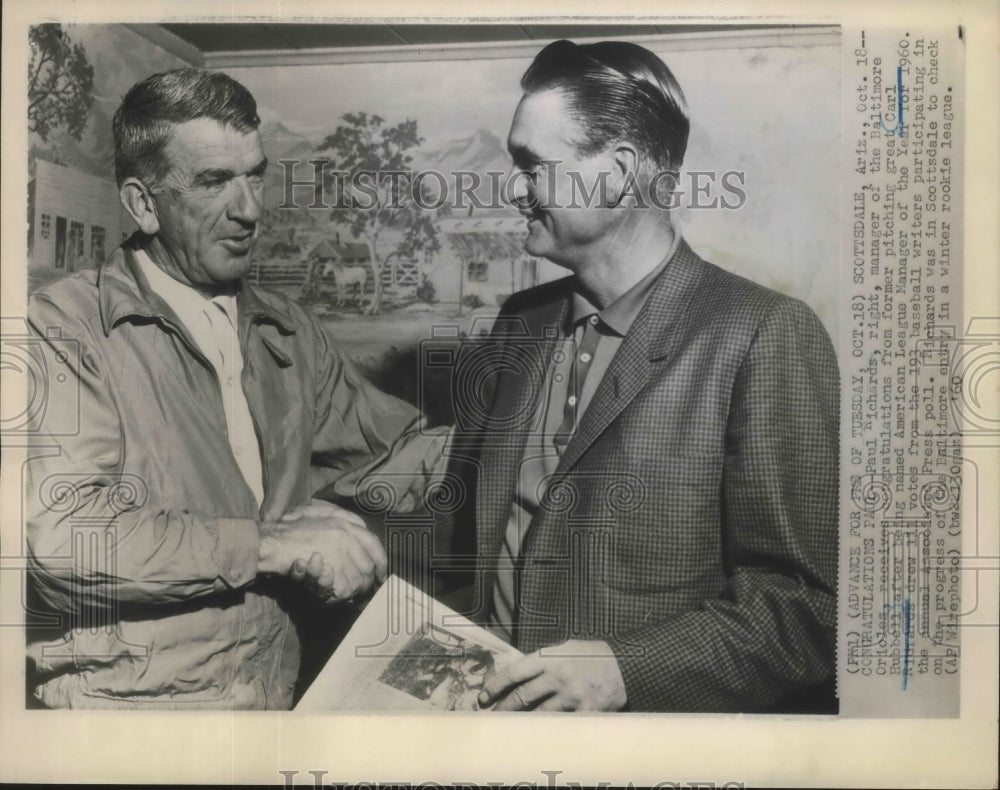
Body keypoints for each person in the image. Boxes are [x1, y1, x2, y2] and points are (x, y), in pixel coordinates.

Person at [24, 68, 445, 709]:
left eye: (254, 174)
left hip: (271, 698)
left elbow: (394, 454)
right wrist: (274, 545)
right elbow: (64, 542)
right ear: (143, 204)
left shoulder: (286, 327)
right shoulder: (61, 327)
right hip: (129, 721)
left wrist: (535, 449)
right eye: (215, 181)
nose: (249, 209)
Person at [439, 40, 839, 712]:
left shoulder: (763, 334)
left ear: (618, 174)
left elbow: (808, 608)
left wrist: (627, 670)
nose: (511, 187)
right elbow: (466, 531)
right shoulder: (520, 322)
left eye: (531, 165)